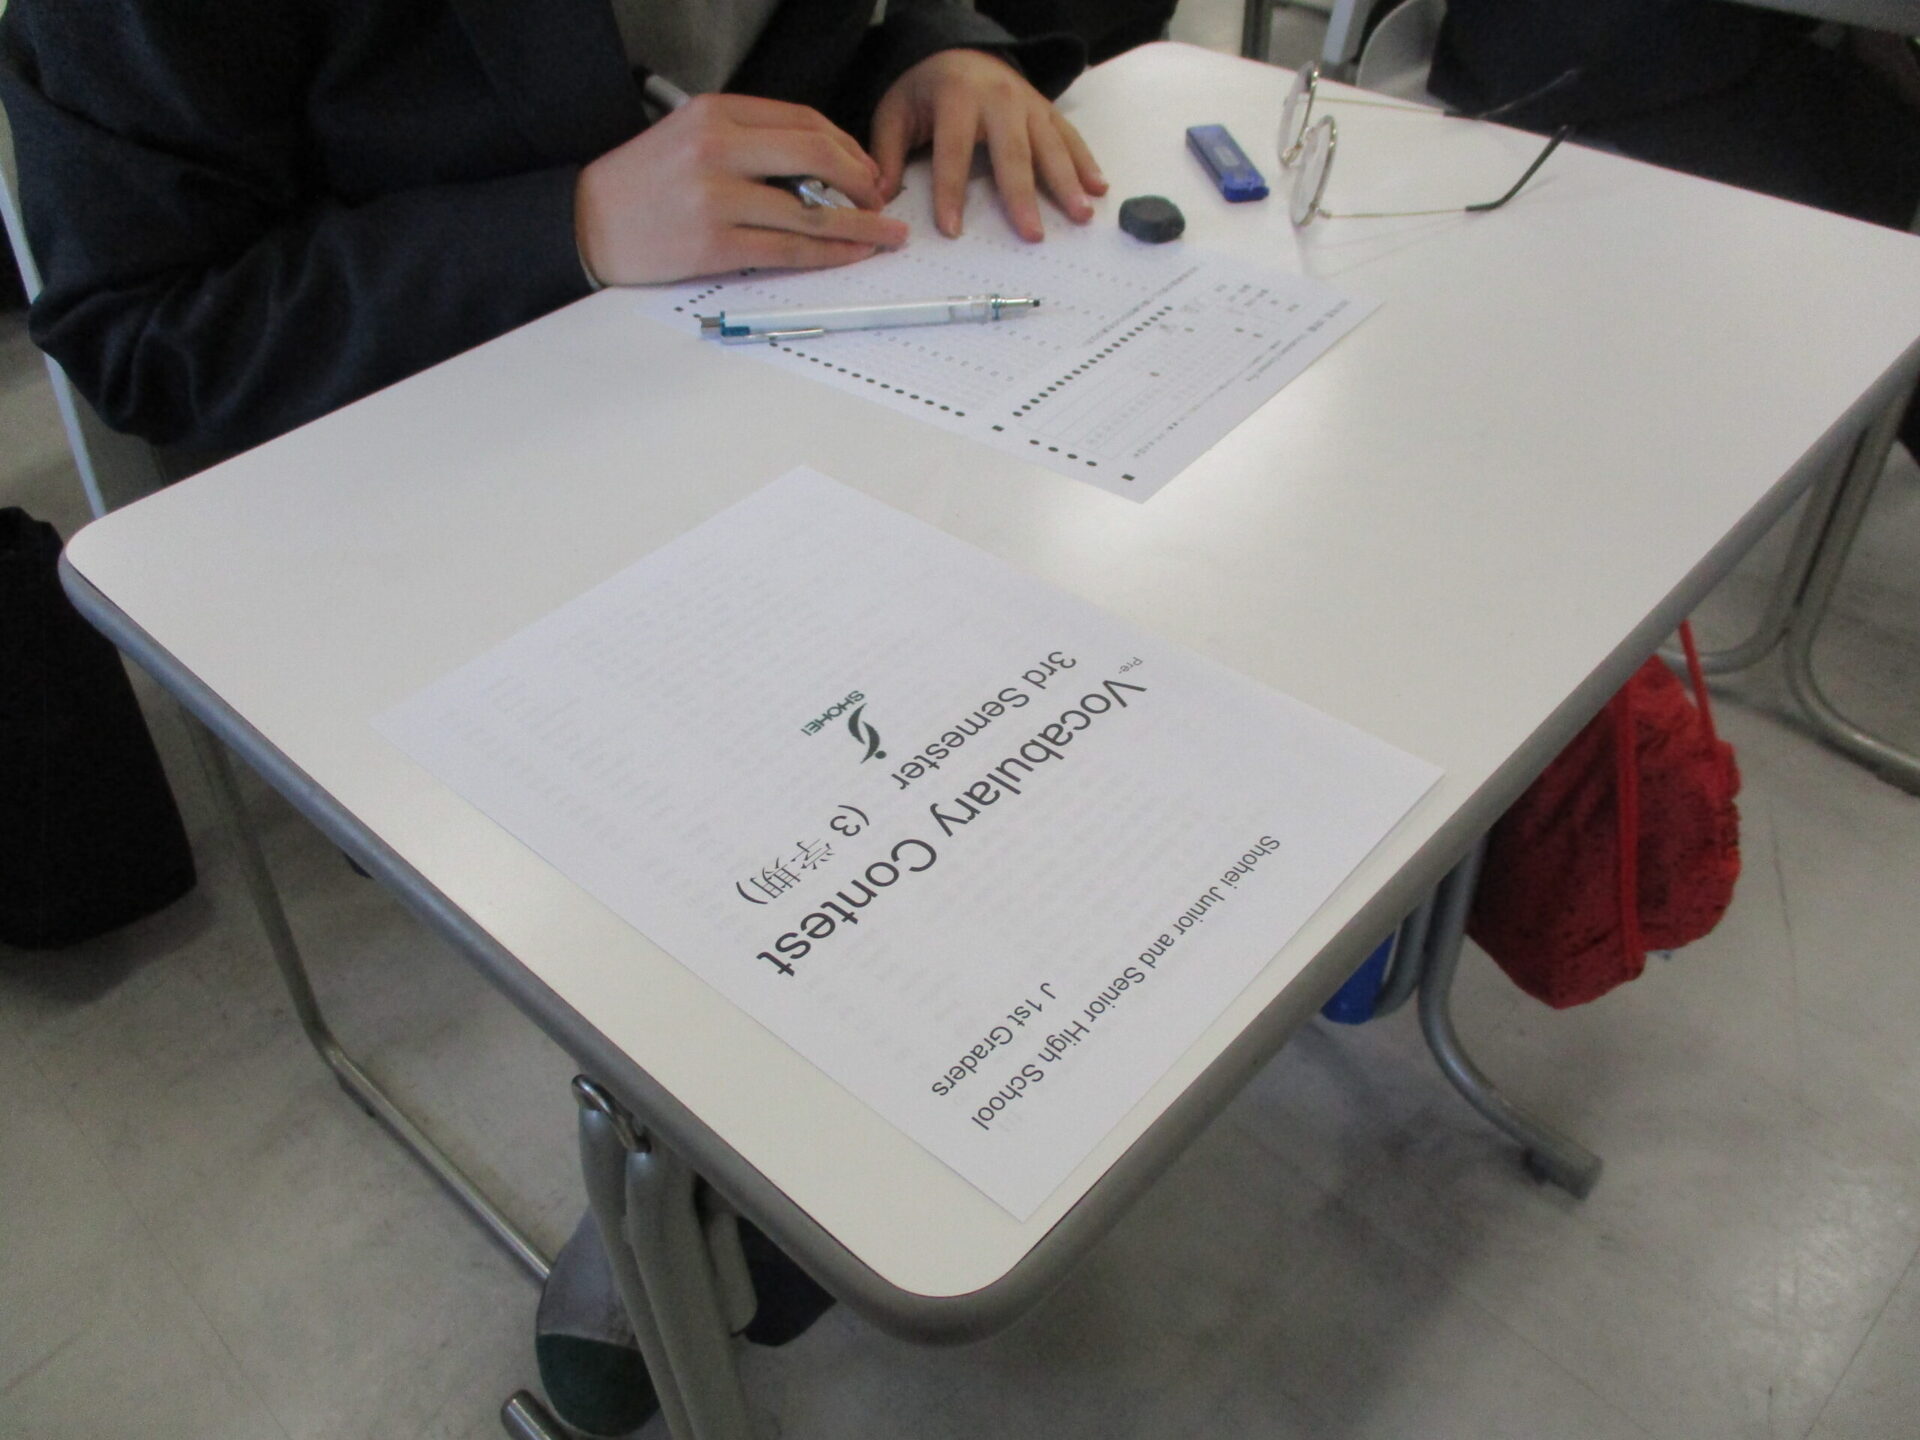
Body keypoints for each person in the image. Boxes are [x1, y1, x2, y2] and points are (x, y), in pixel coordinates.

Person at [0, 0, 1104, 470]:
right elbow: (147, 335)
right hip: (450, 476)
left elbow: (809, 37)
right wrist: (566, 229)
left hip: (800, 401)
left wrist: (933, 53)